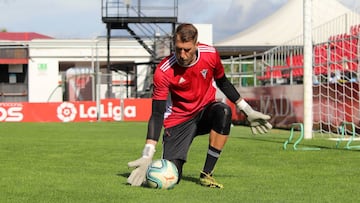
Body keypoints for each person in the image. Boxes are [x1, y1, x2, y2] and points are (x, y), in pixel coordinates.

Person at [127, 23, 272, 189]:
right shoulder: (163, 71)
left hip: (205, 111)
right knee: (173, 176)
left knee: (223, 111)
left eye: (187, 49)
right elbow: (158, 113)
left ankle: (207, 174)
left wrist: (247, 110)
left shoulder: (210, 55)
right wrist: (147, 153)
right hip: (178, 121)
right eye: (178, 49)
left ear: (196, 45)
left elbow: (222, 82)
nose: (182, 54)